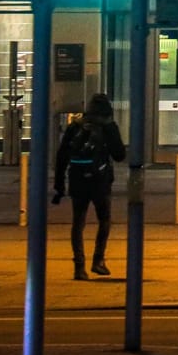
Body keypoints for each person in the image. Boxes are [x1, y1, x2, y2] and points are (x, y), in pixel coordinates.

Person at [51, 93, 126, 280]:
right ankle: (98, 260)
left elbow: (61, 157)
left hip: (77, 179)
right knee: (104, 219)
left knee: (78, 222)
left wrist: (59, 185)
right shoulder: (107, 126)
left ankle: (79, 267)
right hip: (100, 180)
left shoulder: (75, 126)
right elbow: (119, 155)